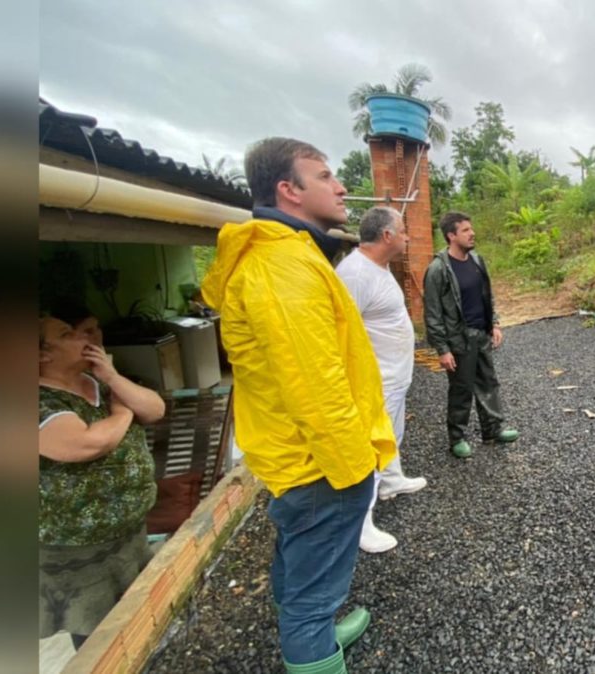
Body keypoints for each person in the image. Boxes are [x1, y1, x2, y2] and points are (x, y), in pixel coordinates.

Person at [200, 137, 396, 673]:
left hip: (302, 457)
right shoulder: (280, 267)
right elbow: (313, 384)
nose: (341, 186)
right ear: (288, 190)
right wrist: (355, 468)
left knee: (300, 558)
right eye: (326, 176)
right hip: (321, 464)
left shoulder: (289, 254)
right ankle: (313, 652)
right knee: (312, 586)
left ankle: (318, 631)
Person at [38, 314, 165, 650]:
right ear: (41, 355)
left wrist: (111, 375)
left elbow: (154, 409)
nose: (83, 337)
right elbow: (86, 444)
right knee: (100, 637)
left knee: (138, 621)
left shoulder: (101, 383)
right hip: (78, 549)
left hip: (128, 534)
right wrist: (122, 413)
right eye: (68, 334)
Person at [335, 207, 428, 554]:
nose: (408, 237)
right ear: (387, 236)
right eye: (403, 231)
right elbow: (342, 333)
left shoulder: (379, 268)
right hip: (375, 380)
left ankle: (392, 481)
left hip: (394, 377)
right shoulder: (354, 274)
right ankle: (362, 522)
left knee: (392, 435)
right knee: (372, 444)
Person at [422, 212, 519, 459]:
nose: (472, 233)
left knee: (489, 382)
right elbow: (432, 313)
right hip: (458, 339)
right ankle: (457, 437)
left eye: (471, 229)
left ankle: (493, 430)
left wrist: (494, 324)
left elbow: (488, 295)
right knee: (461, 389)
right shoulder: (438, 269)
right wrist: (442, 349)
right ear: (451, 236)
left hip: (481, 334)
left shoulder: (477, 260)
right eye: (465, 230)